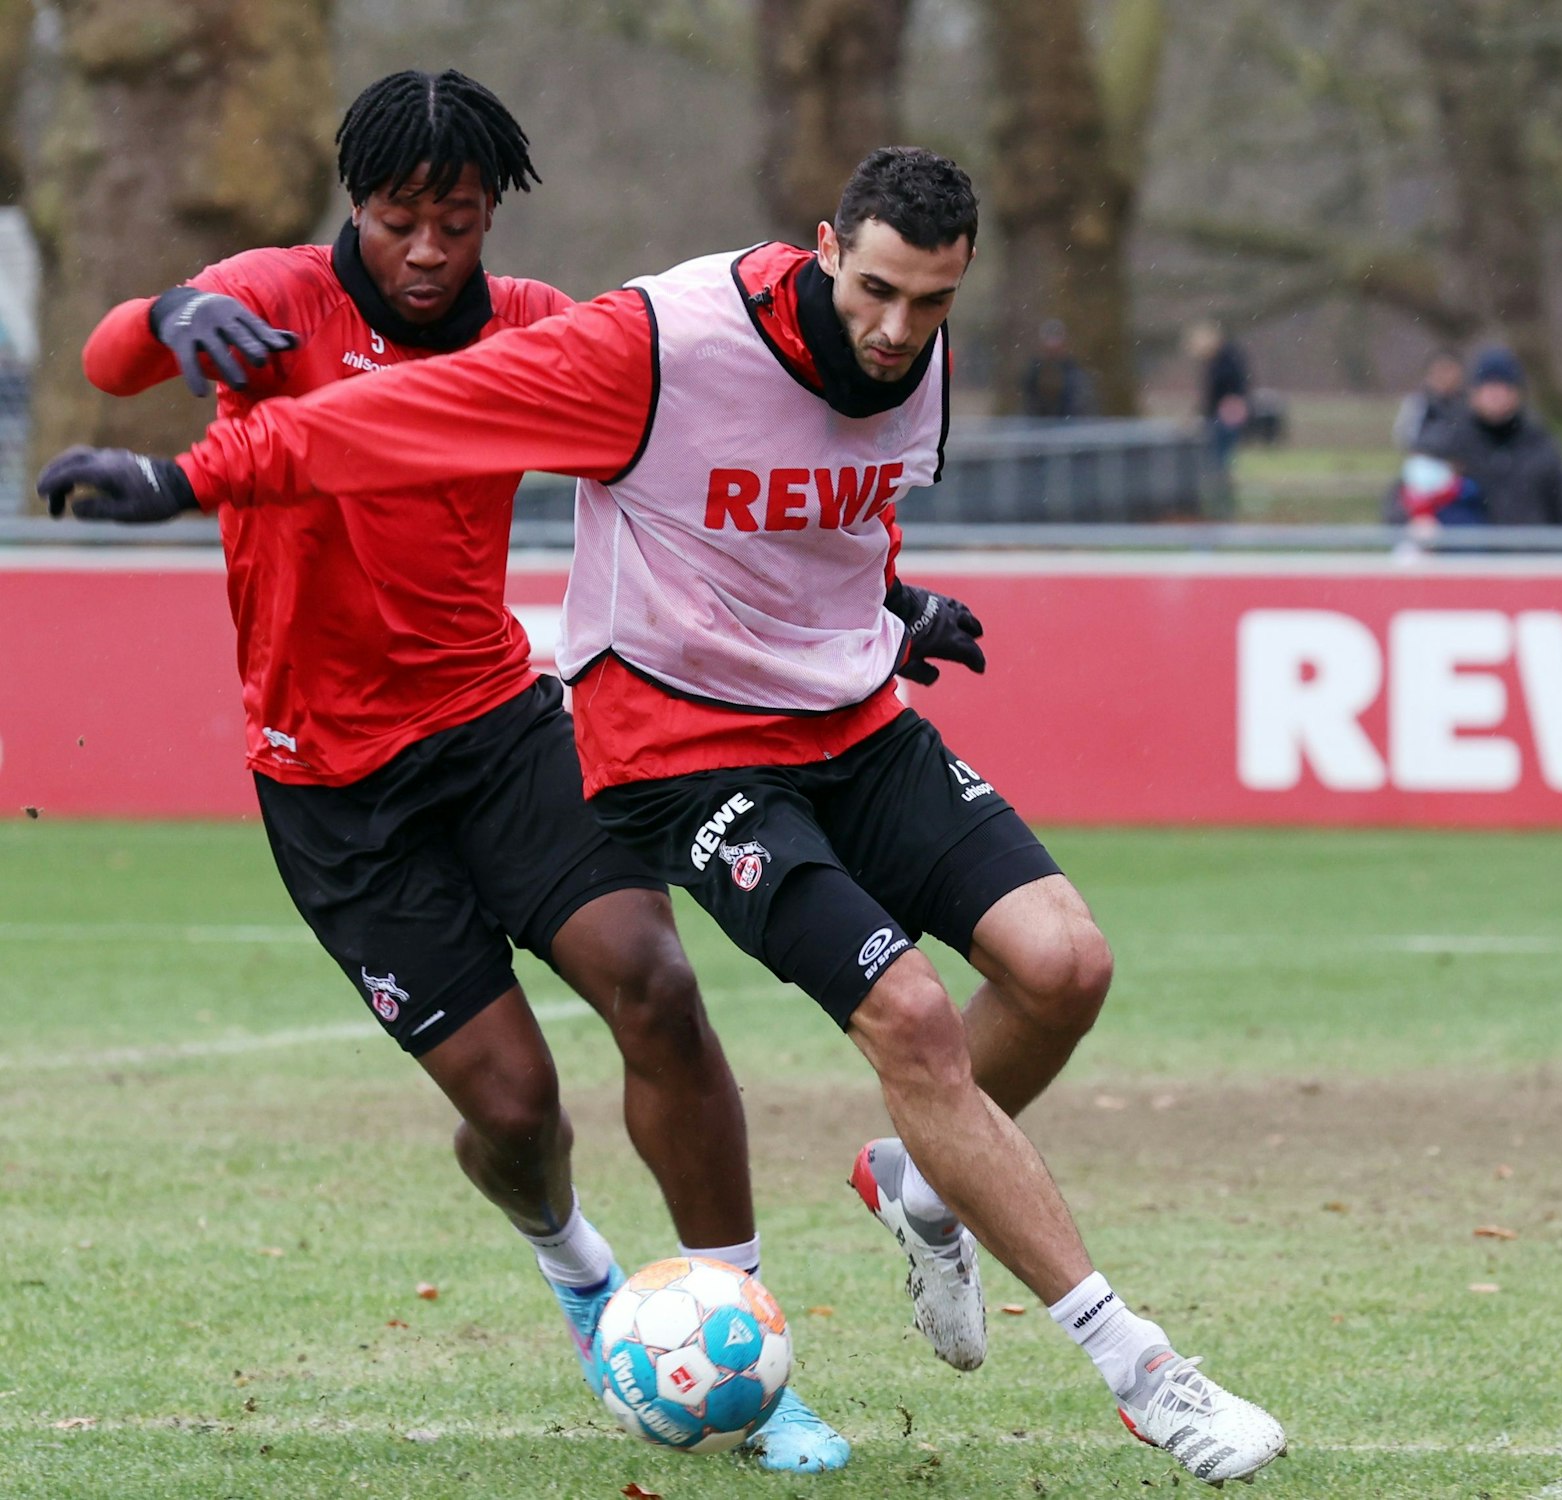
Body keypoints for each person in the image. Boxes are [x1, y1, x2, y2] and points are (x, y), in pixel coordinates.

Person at [41, 145, 1288, 1485]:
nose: (896, 329)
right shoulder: (640, 340)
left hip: (746, 718)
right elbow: (386, 417)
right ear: (824, 247)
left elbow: (813, 503)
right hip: (630, 750)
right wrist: (183, 451)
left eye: (930, 302)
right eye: (876, 292)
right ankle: (1129, 1369)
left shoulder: (901, 357)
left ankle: (923, 1184)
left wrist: (893, 604)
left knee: (1060, 965)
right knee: (584, 1092)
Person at [56, 69, 846, 1472]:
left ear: (493, 215)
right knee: (515, 1111)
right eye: (398, 220)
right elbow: (112, 363)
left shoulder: (538, 329)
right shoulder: (274, 296)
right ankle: (580, 1271)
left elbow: (701, 459)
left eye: (459, 222)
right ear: (355, 205)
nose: (427, 251)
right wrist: (170, 315)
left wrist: (870, 592)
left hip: (498, 730)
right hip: (331, 786)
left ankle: (747, 1341)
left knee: (658, 988)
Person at [1434, 345, 1562, 527]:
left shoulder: (1541, 444)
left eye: (1503, 387)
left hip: (1530, 543)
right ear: (1473, 393)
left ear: (1517, 393)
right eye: (1488, 387)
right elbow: (1414, 499)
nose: (1496, 396)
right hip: (1470, 545)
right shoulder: (1451, 442)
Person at [1187, 319, 1253, 470]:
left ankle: (1218, 477)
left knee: (1219, 452)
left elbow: (1219, 388)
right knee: (1220, 452)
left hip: (1225, 412)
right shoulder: (1224, 359)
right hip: (1225, 412)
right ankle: (1219, 476)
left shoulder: (1224, 361)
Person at [1391, 348, 1465, 453]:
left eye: (1449, 371)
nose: (1445, 377)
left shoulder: (1469, 404)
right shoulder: (1418, 403)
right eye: (1440, 371)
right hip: (1428, 457)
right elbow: (1405, 438)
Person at [1020, 317, 1093, 418]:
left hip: (1069, 424)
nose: (1053, 344)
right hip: (1039, 424)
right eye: (1049, 339)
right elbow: (1028, 405)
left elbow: (1083, 406)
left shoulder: (1074, 373)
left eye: (1056, 339)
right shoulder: (1032, 373)